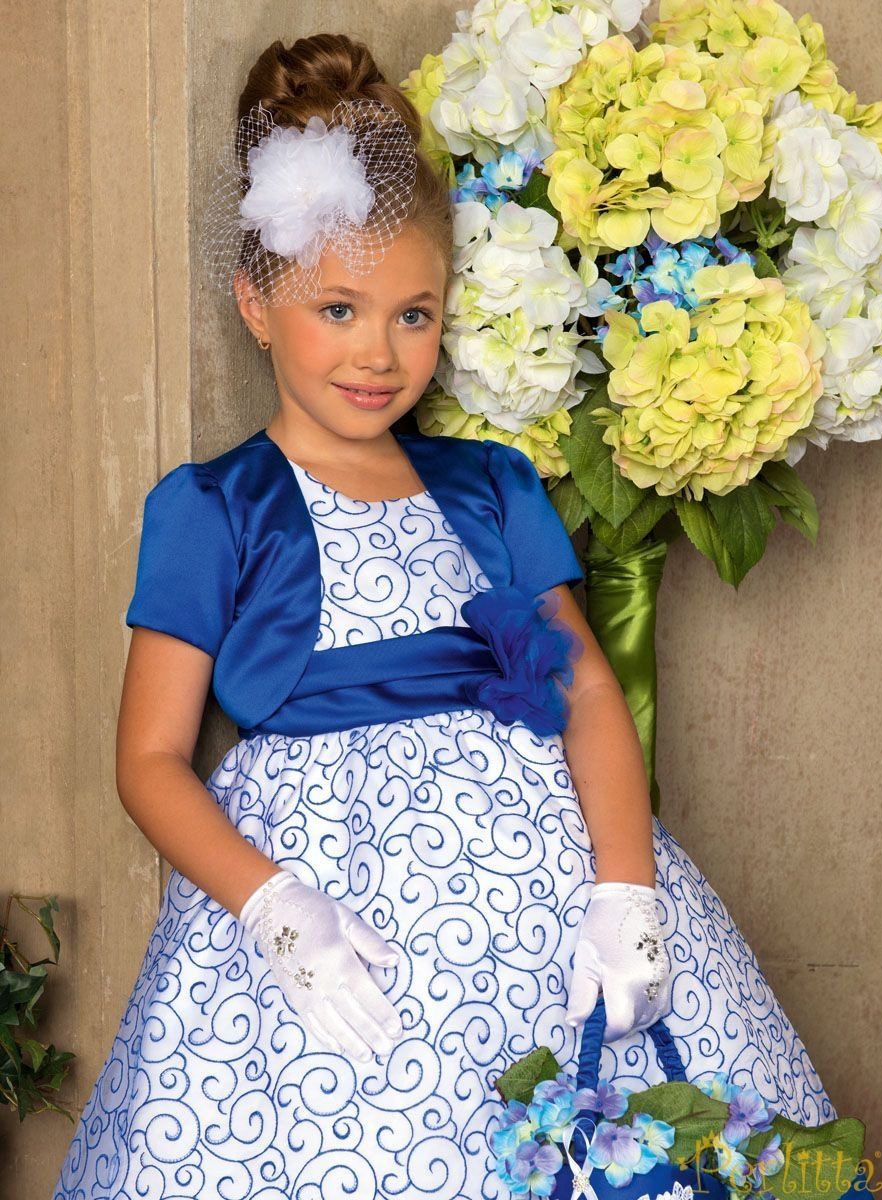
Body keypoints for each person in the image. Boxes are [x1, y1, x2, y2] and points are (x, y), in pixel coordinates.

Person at [53, 31, 836, 1200]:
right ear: (256, 301)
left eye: (414, 315)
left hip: (546, 905)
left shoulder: (491, 488)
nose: (379, 353)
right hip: (330, 910)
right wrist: (275, 910)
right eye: (338, 308)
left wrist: (627, 891)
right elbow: (149, 760)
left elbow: (585, 688)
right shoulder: (215, 508)